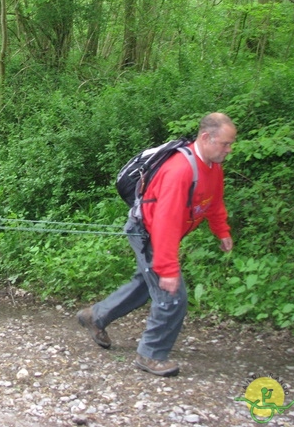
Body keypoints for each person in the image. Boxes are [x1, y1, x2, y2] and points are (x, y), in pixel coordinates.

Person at [77, 113, 236, 377]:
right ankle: (150, 354)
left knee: (146, 285)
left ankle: (96, 316)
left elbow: (213, 200)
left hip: (161, 231)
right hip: (148, 231)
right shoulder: (180, 170)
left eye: (230, 144)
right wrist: (168, 268)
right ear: (206, 137)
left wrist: (221, 231)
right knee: (172, 296)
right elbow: (165, 223)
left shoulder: (213, 166)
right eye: (225, 144)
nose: (229, 149)